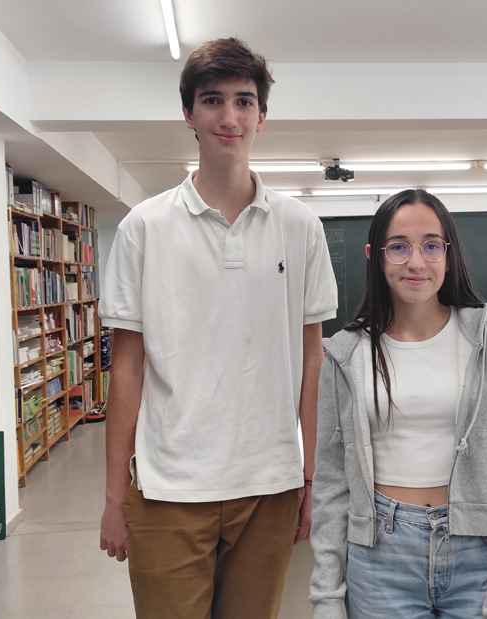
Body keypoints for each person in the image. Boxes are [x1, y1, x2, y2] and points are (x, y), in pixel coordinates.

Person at [98, 38, 338, 619]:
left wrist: (312, 477)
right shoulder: (144, 227)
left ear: (262, 115)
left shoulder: (300, 227)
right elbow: (127, 367)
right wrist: (113, 498)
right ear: (188, 114)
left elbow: (312, 361)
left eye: (243, 101)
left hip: (271, 485)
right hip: (167, 488)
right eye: (212, 100)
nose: (229, 117)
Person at [309, 189, 487, 619]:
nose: (416, 262)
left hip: (479, 555)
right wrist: (326, 596)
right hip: (381, 556)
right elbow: (331, 483)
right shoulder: (345, 355)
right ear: (375, 256)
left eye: (431, 245)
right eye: (398, 246)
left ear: (449, 255)